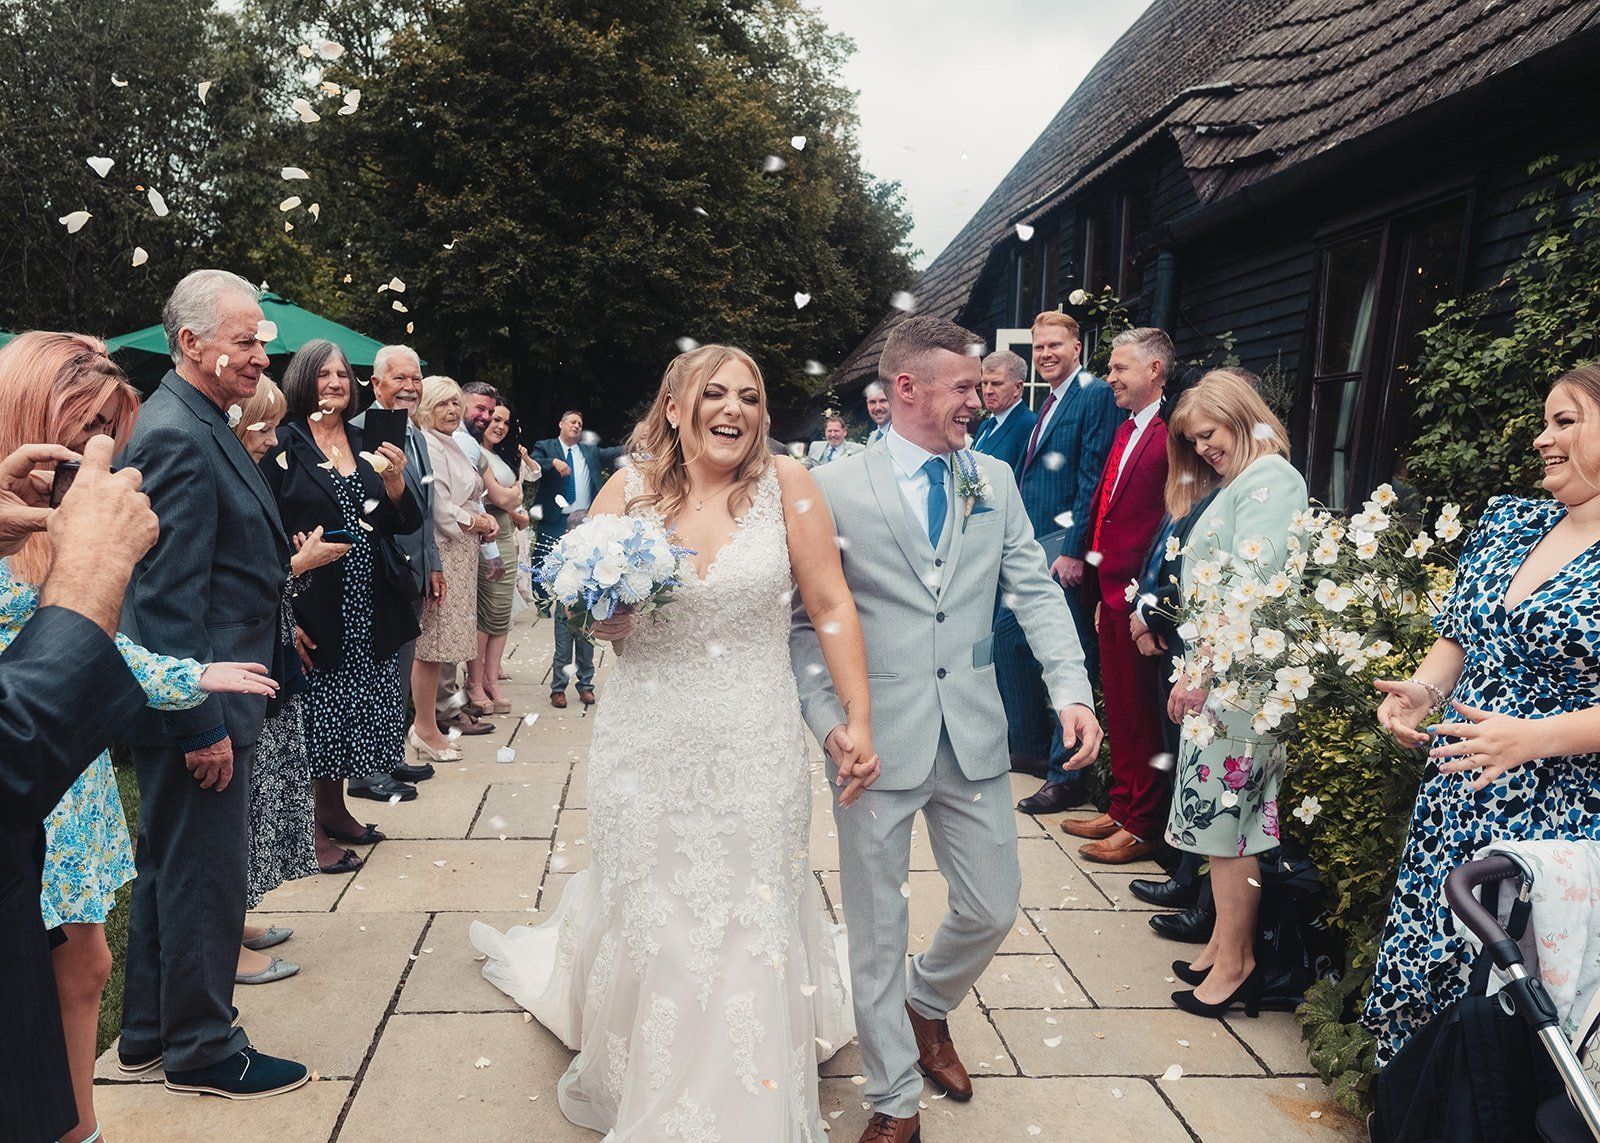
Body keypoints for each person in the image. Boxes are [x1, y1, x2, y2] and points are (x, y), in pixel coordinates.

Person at [471, 344, 877, 1140]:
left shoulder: (789, 488)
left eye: (751, 398)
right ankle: (651, 1073)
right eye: (715, 394)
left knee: (750, 905)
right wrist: (602, 620)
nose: (735, 410)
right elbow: (580, 609)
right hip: (646, 740)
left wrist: (857, 719)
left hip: (754, 734)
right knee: (657, 907)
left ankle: (750, 1091)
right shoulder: (627, 492)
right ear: (673, 408)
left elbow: (829, 605)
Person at [791, 316, 1102, 1143]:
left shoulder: (993, 479)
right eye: (964, 385)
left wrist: (1073, 690)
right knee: (876, 921)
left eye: (977, 385)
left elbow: (1033, 591)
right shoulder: (834, 488)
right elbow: (805, 623)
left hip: (970, 731)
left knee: (994, 904)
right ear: (905, 390)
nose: (981, 397)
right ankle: (893, 1095)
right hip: (871, 740)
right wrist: (830, 725)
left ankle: (927, 1002)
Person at [0, 335, 278, 1142]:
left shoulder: (39, 521)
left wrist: (189, 676)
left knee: (85, 963)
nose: (102, 460)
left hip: (68, 769)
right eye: (83, 432)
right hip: (28, 766)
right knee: (60, 970)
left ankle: (76, 1119)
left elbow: (91, 639)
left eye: (106, 438)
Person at [1364, 363, 1600, 1066]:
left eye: (1565, 421)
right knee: (1426, 966)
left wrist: (1533, 738)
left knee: (1508, 1003)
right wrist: (1420, 693)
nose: (1540, 438)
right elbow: (1457, 644)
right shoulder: (1509, 521)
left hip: (1550, 821)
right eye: (1544, 421)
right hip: (1455, 797)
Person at [116, 269, 308, 1098]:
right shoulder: (176, 434)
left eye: (262, 337)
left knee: (173, 866)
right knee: (203, 873)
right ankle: (202, 1048)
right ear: (189, 342)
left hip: (209, 692)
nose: (261, 352)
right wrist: (197, 722)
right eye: (244, 338)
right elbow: (163, 602)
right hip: (200, 701)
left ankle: (148, 1032)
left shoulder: (200, 418)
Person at [0, 434, 158, 1143]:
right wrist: (90, 578)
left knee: (77, 964)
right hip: (37, 776)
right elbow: (12, 747)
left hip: (60, 784)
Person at [1160, 370, 1306, 1019]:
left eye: (1210, 434)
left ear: (1241, 415)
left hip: (1243, 681)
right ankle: (1222, 942)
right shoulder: (1244, 481)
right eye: (1195, 440)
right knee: (1222, 821)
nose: (1205, 449)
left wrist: (1200, 672)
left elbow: (1253, 581)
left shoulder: (1272, 479)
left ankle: (1238, 962)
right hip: (1227, 676)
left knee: (1231, 827)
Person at [262, 340, 422, 875]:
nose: (335, 382)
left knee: (354, 709)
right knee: (316, 713)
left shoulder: (366, 438)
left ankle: (334, 808)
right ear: (303, 381)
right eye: (323, 374)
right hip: (314, 597)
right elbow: (262, 527)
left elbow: (406, 522)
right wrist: (285, 606)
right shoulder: (284, 443)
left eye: (341, 375)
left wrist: (397, 484)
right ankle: (308, 827)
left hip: (370, 596)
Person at [229, 377, 334, 983]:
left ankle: (237, 915)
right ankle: (226, 940)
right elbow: (241, 577)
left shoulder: (252, 471)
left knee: (258, 797)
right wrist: (301, 564)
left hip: (270, 645)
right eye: (262, 429)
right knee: (236, 811)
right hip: (236, 666)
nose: (272, 440)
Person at [1055, 329, 1173, 862]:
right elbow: (1106, 507)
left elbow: (1170, 521)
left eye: (1121, 368)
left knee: (1144, 715)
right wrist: (1105, 589)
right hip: (1111, 592)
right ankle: (1121, 806)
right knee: (1121, 710)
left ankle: (1143, 825)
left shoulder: (1172, 433)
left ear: (1154, 371)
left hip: (1142, 598)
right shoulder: (1126, 429)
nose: (1111, 378)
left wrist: (1145, 598)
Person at [994, 311, 1118, 773]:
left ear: (1076, 348)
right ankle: (1026, 748)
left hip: (1062, 545)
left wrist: (1074, 549)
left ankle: (1065, 772)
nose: (1046, 354)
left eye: (1055, 346)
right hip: (1034, 540)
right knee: (1009, 642)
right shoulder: (1048, 401)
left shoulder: (1094, 394)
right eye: (1039, 347)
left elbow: (1092, 476)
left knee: (1069, 651)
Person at [348, 344, 442, 802]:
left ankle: (389, 752)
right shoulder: (358, 432)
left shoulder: (416, 434)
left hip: (414, 570)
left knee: (402, 663)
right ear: (376, 382)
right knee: (377, 668)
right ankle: (365, 772)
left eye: (416, 378)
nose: (409, 387)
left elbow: (424, 506)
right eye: (400, 378)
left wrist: (434, 563)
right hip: (380, 569)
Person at [408, 376, 496, 761]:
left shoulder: (450, 443)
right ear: (425, 407)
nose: (451, 411)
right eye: (441, 404)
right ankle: (425, 729)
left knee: (441, 649)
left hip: (462, 554)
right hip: (445, 552)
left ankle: (427, 725)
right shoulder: (427, 442)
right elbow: (441, 510)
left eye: (454, 404)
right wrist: (479, 523)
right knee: (432, 647)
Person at [530, 411, 624, 708]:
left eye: (580, 424)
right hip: (557, 524)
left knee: (588, 607)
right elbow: (532, 465)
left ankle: (586, 683)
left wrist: (643, 440)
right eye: (572, 422)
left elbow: (614, 453)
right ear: (560, 424)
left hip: (588, 524)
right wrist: (552, 463)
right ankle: (558, 686)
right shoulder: (547, 447)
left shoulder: (589, 450)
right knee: (563, 606)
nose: (576, 426)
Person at [440, 381, 510, 734]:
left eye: (489, 410)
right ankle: (445, 710)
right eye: (477, 408)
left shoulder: (463, 443)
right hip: (450, 545)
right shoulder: (449, 443)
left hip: (469, 544)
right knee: (445, 633)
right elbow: (446, 504)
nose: (484, 416)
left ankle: (453, 705)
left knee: (458, 627)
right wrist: (486, 534)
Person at [468, 400, 532, 714]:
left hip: (506, 531)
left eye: (505, 422)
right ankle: (475, 681)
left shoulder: (503, 455)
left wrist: (513, 501)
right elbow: (501, 496)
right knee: (488, 606)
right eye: (494, 419)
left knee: (502, 608)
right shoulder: (475, 452)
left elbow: (514, 496)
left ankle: (493, 678)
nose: (499, 426)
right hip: (487, 531)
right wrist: (514, 498)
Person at [972, 349, 1036, 476]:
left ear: (1017, 388)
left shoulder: (1031, 426)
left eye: (996, 384)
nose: (988, 391)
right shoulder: (986, 425)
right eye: (985, 383)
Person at [865, 380, 892, 445]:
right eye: (872, 402)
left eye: (883, 401)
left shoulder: (903, 436)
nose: (878, 408)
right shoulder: (872, 439)